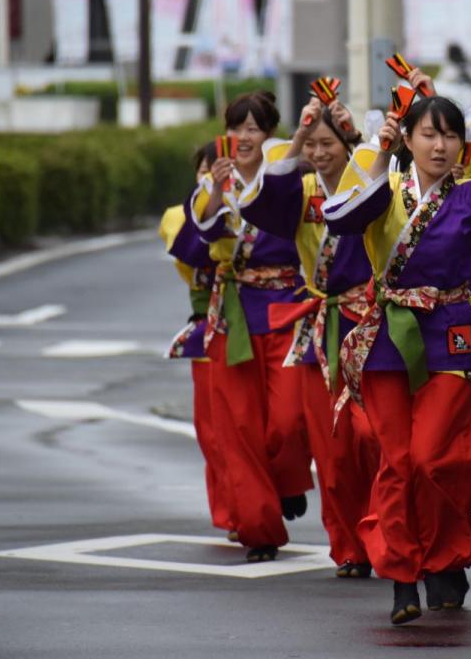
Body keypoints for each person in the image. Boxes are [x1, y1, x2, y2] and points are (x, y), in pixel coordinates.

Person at [322, 95, 471, 625]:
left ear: (462, 145)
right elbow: (338, 215)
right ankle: (403, 575)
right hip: (389, 334)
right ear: (407, 138)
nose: (439, 144)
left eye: (450, 135)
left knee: (435, 457)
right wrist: (376, 152)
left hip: (451, 334)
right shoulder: (382, 186)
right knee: (398, 462)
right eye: (428, 134)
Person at [238, 97, 380, 579]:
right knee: (331, 448)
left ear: (347, 146)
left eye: (328, 144)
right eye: (312, 146)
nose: (319, 154)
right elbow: (257, 202)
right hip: (319, 323)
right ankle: (349, 546)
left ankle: (387, 532)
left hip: (369, 322)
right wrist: (295, 140)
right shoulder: (298, 190)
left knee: (374, 439)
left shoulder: (372, 184)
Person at [189, 91, 314, 562]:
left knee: (288, 419)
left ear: (270, 134)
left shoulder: (290, 176)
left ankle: (287, 482)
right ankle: (260, 529)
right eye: (237, 127)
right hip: (235, 312)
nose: (244, 137)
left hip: (286, 306)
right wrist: (218, 189)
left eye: (255, 128)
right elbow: (203, 233)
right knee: (239, 427)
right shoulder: (212, 182)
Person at [159, 143, 234, 540]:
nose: (213, 174)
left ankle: (260, 501)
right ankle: (228, 509)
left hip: (251, 321)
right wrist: (211, 200)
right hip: (208, 324)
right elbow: (193, 248)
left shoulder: (249, 204)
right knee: (212, 428)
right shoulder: (180, 215)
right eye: (206, 168)